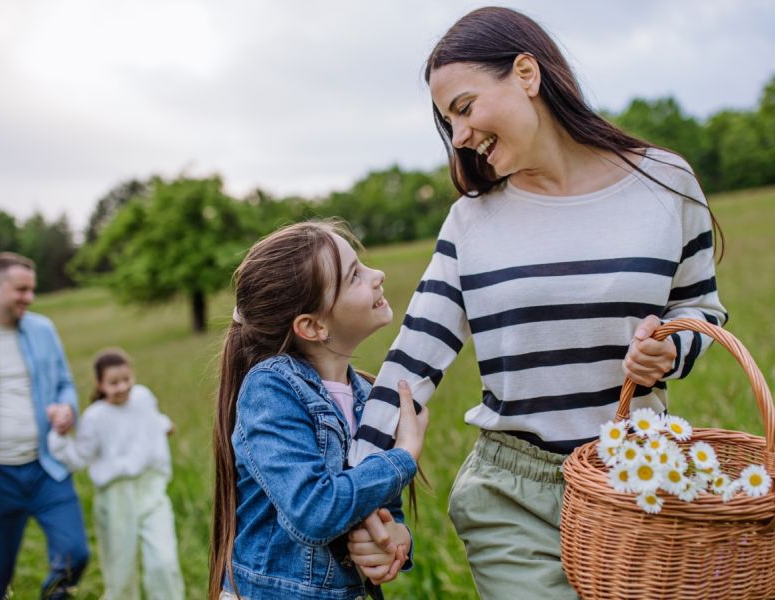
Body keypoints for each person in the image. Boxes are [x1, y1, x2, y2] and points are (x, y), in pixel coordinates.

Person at [348, 7, 727, 599]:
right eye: (448, 122)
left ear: (526, 73)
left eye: (465, 108)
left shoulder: (666, 183)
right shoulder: (470, 222)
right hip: (513, 496)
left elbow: (700, 307)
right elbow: (408, 368)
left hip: (641, 481)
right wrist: (365, 499)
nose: (460, 136)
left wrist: (672, 351)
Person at [208, 221, 429, 600]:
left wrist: (396, 539)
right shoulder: (271, 389)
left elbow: (381, 502)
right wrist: (404, 453)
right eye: (354, 276)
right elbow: (314, 509)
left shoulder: (368, 394)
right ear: (313, 326)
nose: (378, 275)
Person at [0, 252, 89, 600]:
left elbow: (65, 384)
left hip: (46, 469)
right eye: (21, 290)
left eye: (32, 289)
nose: (29, 297)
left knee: (75, 554)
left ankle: (53, 595)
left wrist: (67, 408)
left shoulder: (43, 329)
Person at [47, 348, 185, 600]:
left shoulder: (143, 397)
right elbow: (79, 457)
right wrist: (59, 438)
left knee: (163, 563)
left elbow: (150, 421)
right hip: (115, 497)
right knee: (120, 573)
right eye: (113, 383)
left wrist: (165, 426)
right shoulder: (95, 416)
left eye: (126, 380)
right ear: (100, 384)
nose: (122, 387)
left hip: (151, 489)